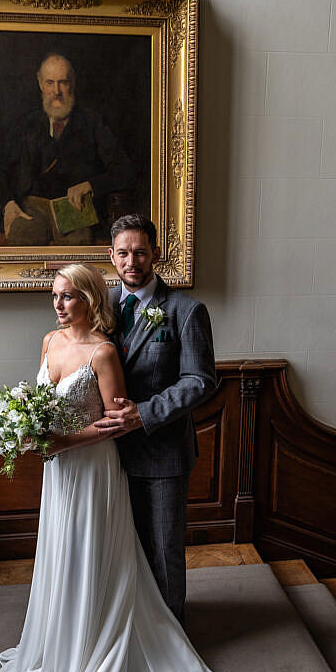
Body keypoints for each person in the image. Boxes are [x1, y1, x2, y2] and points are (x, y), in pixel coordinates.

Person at [0, 263, 285, 672]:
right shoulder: (50, 341)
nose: (57, 304)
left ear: (87, 296)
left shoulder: (108, 349)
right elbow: (41, 402)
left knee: (124, 556)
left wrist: (54, 441)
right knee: (63, 557)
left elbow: (114, 424)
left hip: (94, 466)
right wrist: (25, 432)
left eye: (68, 295)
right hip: (61, 474)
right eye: (54, 295)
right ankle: (62, 645)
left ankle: (142, 640)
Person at [92, 214, 215, 628]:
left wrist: (143, 414)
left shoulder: (185, 310)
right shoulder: (101, 305)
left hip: (163, 453)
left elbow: (200, 381)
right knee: (119, 549)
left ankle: (172, 639)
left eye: (140, 252)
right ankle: (131, 632)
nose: (132, 261)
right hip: (107, 455)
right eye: (123, 253)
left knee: (163, 550)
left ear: (156, 254)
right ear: (110, 256)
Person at [3, 53, 135, 246]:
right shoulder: (25, 124)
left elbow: (125, 170)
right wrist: (8, 203)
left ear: (72, 83)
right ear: (40, 84)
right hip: (31, 209)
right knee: (21, 238)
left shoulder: (92, 122)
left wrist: (90, 184)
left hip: (74, 209)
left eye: (63, 82)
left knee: (77, 252)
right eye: (50, 83)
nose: (56, 91)